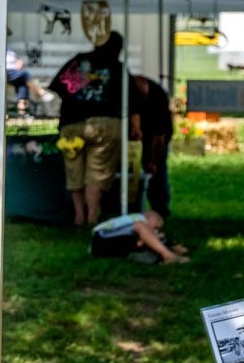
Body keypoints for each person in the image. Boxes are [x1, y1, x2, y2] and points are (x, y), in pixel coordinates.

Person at [48, 30, 139, 227]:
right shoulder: (118, 68)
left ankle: (78, 216)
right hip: (106, 126)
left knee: (74, 171)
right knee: (96, 174)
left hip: (72, 124)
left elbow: (61, 89)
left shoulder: (80, 62)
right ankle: (91, 218)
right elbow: (132, 102)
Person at [133, 75, 173, 219]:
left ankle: (160, 208)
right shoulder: (132, 90)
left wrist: (153, 161)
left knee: (157, 173)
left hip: (154, 138)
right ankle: (133, 205)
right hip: (139, 136)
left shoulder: (157, 99)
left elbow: (159, 138)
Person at [88, 209, 188, 264]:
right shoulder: (139, 219)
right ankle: (168, 256)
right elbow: (140, 230)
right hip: (102, 239)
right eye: (157, 225)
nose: (156, 229)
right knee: (141, 226)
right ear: (148, 216)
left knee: (145, 242)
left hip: (113, 246)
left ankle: (168, 252)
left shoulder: (135, 229)